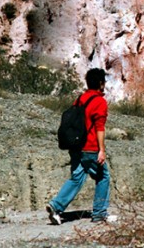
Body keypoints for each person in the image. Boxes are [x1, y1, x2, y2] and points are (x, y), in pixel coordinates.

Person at [46, 68, 110, 224]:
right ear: (101, 83)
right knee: (103, 177)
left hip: (75, 146)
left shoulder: (80, 99)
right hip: (90, 147)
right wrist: (101, 150)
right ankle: (99, 213)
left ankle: (56, 205)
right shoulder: (100, 102)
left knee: (77, 177)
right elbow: (99, 127)